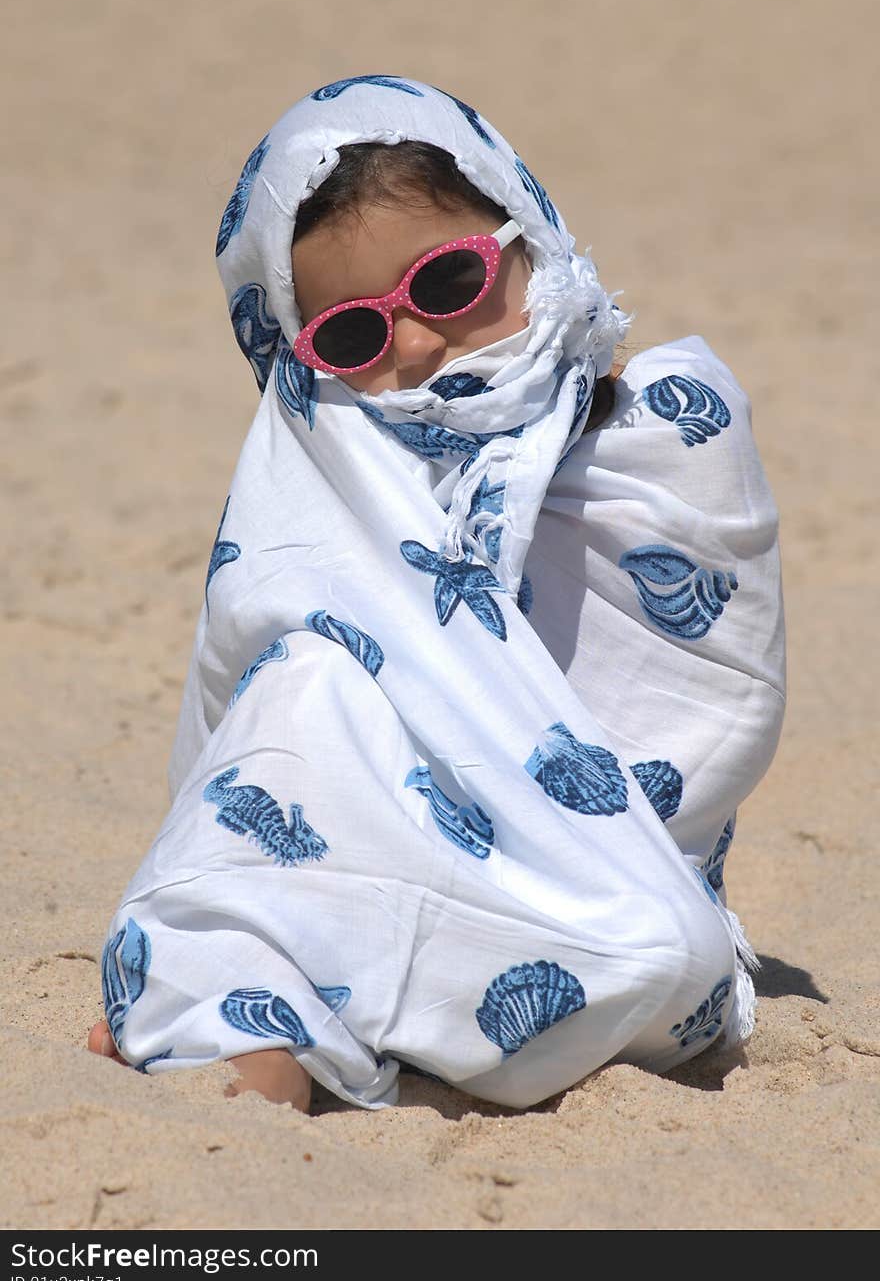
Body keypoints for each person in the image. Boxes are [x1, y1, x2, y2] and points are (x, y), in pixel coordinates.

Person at [88, 75, 786, 1114]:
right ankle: (246, 1049)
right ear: (301, 359)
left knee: (657, 951)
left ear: (526, 236)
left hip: (601, 874)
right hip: (370, 822)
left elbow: (706, 712)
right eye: (352, 338)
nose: (412, 342)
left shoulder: (664, 432)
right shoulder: (325, 456)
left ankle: (383, 998)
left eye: (449, 280)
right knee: (310, 691)